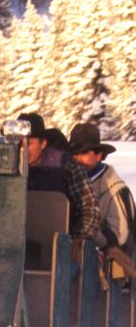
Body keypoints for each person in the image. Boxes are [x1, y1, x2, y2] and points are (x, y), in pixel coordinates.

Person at [17, 112, 100, 242]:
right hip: (15, 243)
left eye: (29, 144)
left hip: (57, 245)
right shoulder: (6, 167)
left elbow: (89, 206)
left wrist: (80, 240)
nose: (23, 149)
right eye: (19, 144)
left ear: (43, 143)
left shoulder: (65, 165)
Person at [68, 123, 135, 263]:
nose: (78, 159)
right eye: (75, 154)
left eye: (84, 153)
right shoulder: (68, 181)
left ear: (98, 155)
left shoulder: (115, 189)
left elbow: (118, 237)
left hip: (106, 266)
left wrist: (85, 233)